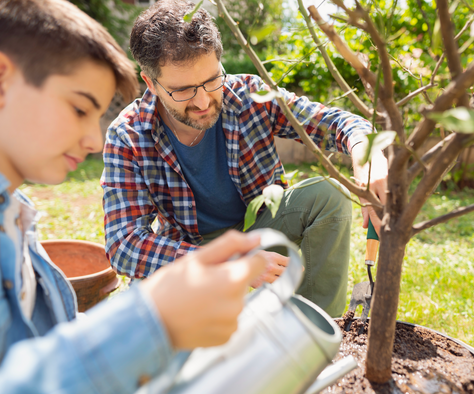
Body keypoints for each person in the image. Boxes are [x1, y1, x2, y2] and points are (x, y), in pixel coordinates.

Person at [0, 0, 268, 392]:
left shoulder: (18, 221)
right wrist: (151, 321)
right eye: (79, 108)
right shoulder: (129, 135)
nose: (94, 140)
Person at [102, 0, 388, 317]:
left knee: (328, 195)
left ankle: (316, 328)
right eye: (182, 90)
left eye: (212, 80)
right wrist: (230, 264)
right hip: (191, 249)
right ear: (151, 83)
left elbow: (338, 123)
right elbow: (124, 245)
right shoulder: (128, 135)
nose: (202, 101)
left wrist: (367, 150)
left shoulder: (250, 95)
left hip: (261, 226)